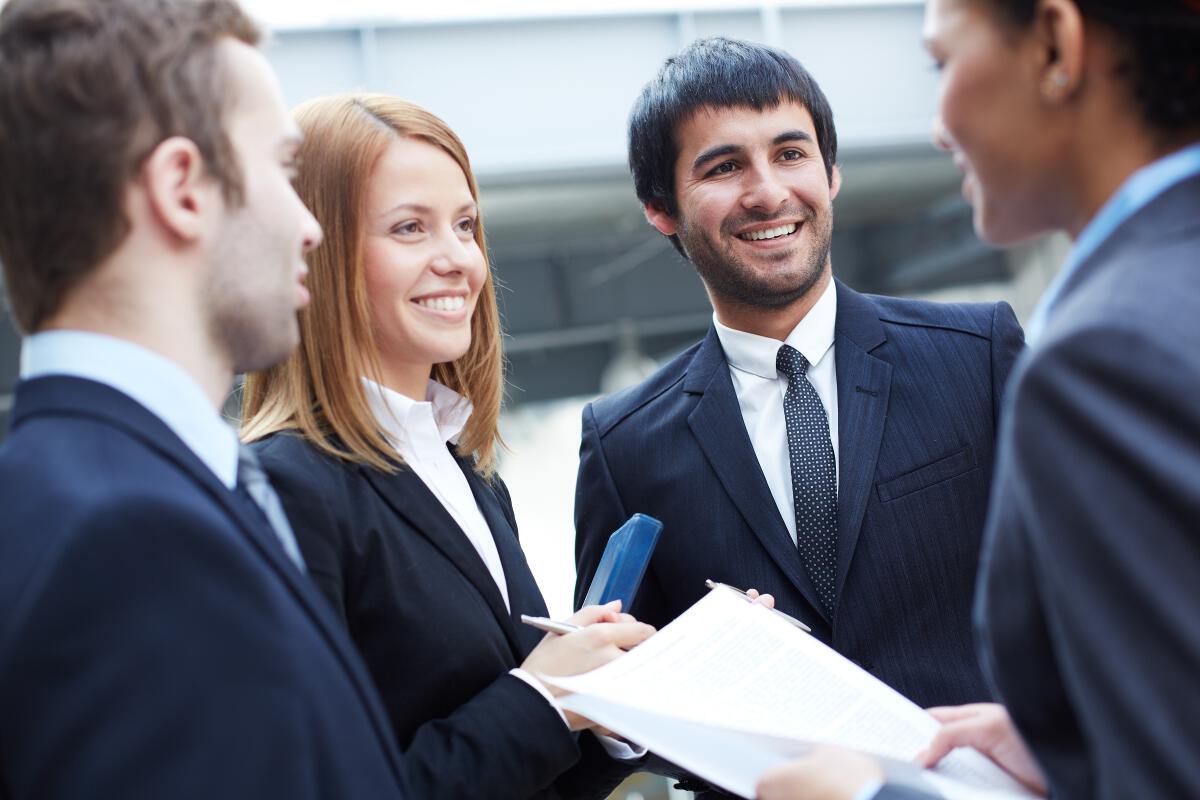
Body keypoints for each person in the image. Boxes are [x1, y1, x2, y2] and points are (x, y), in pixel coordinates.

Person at [755, 1, 1200, 799]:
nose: (936, 126)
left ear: (1057, 45)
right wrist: (1079, 744)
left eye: (942, 64)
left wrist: (869, 797)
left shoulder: (1108, 355)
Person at [0, 1, 409, 797]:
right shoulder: (130, 541)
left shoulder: (67, 498)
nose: (309, 227)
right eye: (284, 172)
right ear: (183, 187)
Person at [574, 35, 1024, 724]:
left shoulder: (979, 356)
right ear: (662, 209)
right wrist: (681, 674)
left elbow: (1104, 594)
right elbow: (600, 708)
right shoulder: (622, 447)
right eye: (724, 167)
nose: (769, 192)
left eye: (790, 153)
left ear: (831, 170)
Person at [240, 93, 654, 800]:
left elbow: (527, 769)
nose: (458, 259)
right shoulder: (283, 489)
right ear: (317, 251)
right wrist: (546, 694)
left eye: (465, 225)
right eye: (410, 228)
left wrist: (611, 691)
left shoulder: (465, 469)